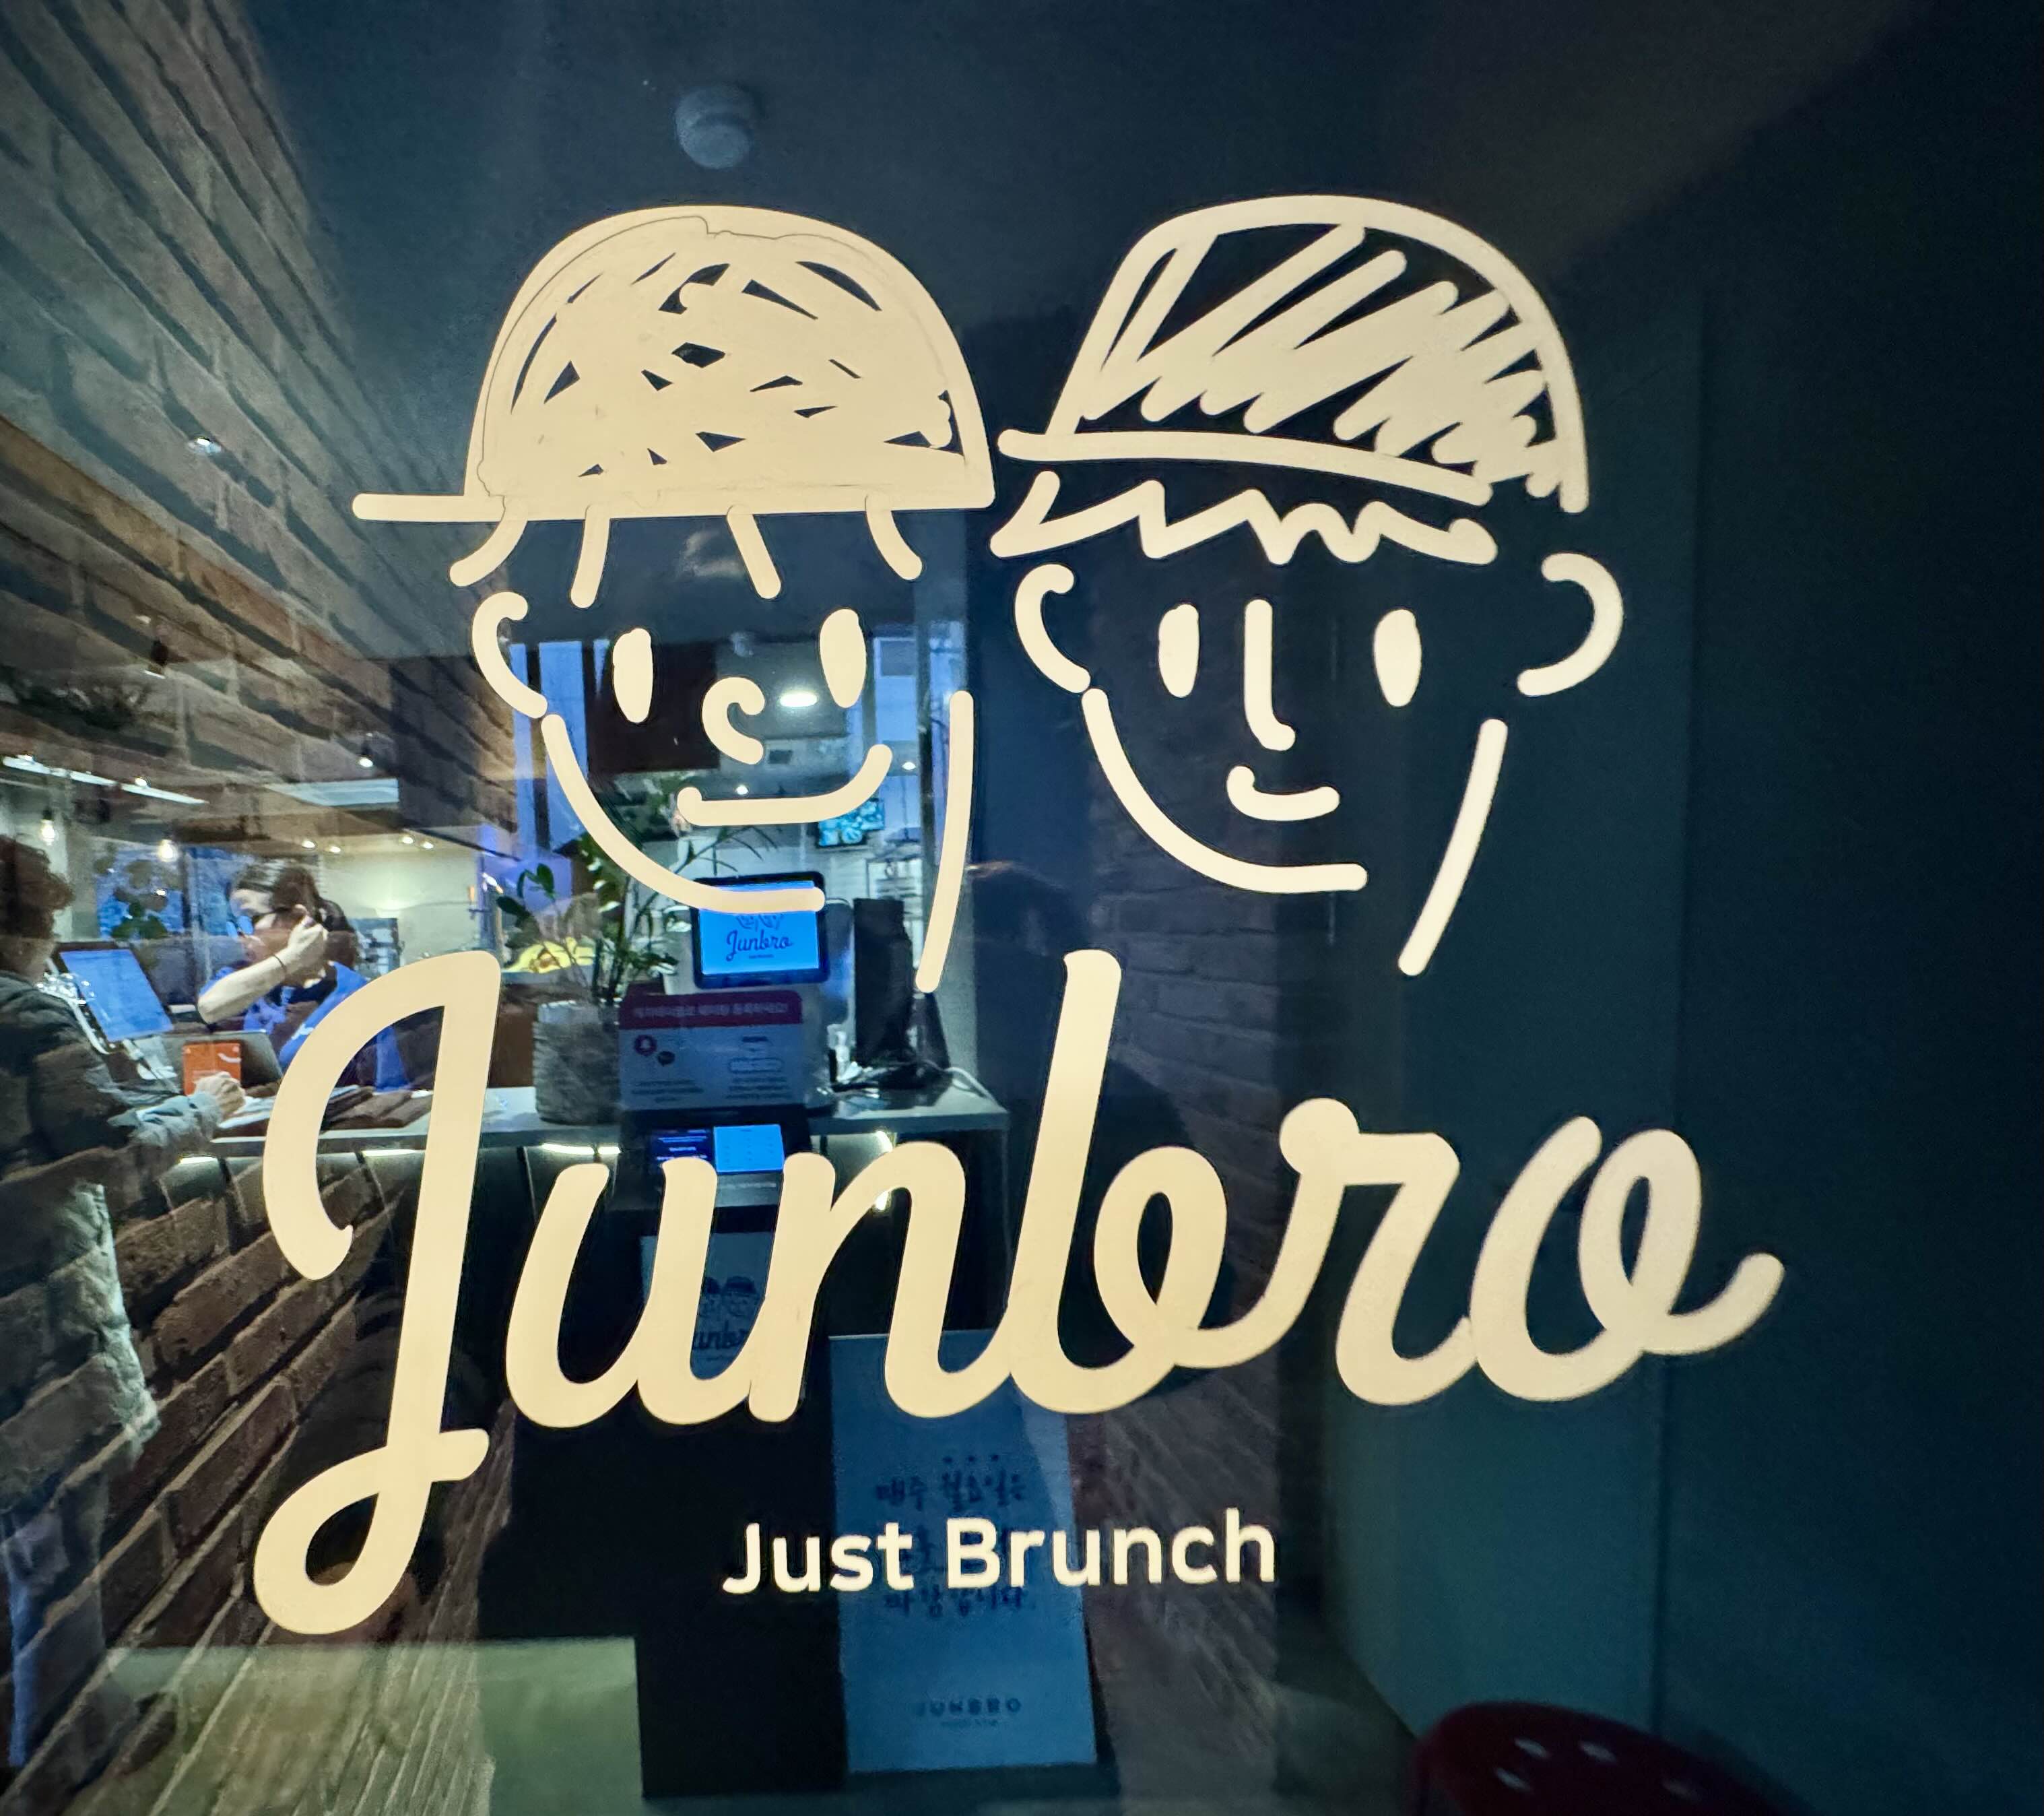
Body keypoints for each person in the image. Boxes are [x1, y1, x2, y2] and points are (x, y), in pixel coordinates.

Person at [0, 836, 244, 1785]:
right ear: (24, 924)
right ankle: (60, 1760)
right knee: (57, 1545)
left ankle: (73, 1725)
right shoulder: (24, 1012)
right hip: (35, 1324)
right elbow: (110, 1153)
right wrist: (206, 1106)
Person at [196, 860, 406, 1089]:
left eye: (249, 920)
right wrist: (292, 958)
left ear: (297, 918)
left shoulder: (354, 994)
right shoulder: (238, 977)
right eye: (233, 923)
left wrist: (296, 957)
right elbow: (210, 1008)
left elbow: (388, 1089)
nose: (239, 935)